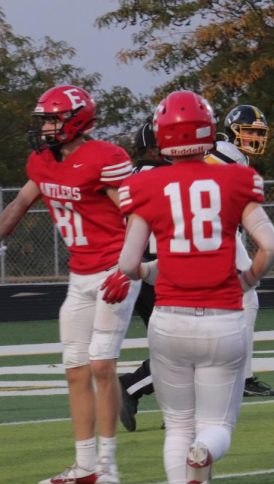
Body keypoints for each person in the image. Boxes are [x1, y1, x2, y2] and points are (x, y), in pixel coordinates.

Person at [113, 90, 274, 484]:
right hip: (224, 318)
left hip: (169, 319)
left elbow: (129, 265)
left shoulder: (144, 185)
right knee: (216, 428)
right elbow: (273, 246)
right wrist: (246, 280)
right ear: (210, 131)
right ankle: (205, 454)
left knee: (177, 424)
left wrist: (153, 270)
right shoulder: (236, 179)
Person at [0, 85, 138, 484]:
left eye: (52, 119)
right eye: (43, 119)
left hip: (113, 269)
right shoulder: (43, 162)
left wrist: (127, 268)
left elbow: (136, 215)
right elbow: (21, 202)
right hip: (80, 275)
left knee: (101, 363)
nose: (45, 127)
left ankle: (109, 464)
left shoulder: (105, 159)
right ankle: (84, 465)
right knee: (75, 368)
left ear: (76, 120)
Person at [218, 104, 274, 398]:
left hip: (217, 234)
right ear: (233, 131)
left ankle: (238, 375)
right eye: (250, 131)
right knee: (247, 296)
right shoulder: (226, 155)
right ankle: (240, 377)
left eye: (258, 132)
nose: (255, 136)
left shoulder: (230, 155)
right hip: (217, 234)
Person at [118, 121, 166, 433]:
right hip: (162, 269)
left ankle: (178, 413)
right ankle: (132, 386)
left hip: (133, 270)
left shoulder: (127, 179)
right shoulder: (166, 178)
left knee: (172, 347)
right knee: (185, 347)